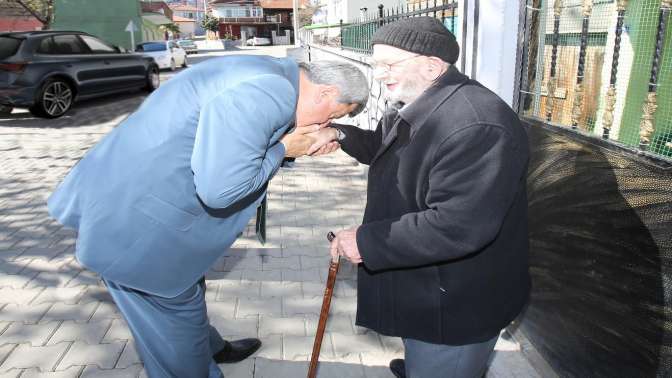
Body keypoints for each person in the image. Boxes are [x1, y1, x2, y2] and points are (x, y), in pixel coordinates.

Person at [47, 57, 368, 378]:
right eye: (332, 116)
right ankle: (196, 364)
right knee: (172, 332)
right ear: (325, 92)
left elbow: (234, 145)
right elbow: (223, 189)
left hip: (141, 202)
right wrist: (284, 150)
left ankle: (210, 346)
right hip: (140, 233)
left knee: (187, 288)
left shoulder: (268, 71)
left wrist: (292, 147)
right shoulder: (267, 93)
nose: (323, 125)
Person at [312, 17, 531, 378]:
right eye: (376, 63)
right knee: (422, 355)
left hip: (456, 305)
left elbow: (456, 226)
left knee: (442, 365)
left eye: (388, 64)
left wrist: (366, 241)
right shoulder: (418, 101)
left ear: (431, 65)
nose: (379, 74)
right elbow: (386, 149)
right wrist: (339, 133)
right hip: (427, 287)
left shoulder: (476, 126)